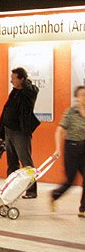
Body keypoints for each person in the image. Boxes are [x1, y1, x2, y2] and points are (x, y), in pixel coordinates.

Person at [0, 67, 41, 198]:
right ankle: (11, 190)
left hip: (20, 133)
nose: (11, 81)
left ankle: (32, 190)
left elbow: (31, 90)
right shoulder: (14, 92)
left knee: (26, 163)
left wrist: (25, 83)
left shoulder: (29, 92)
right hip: (9, 131)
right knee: (12, 163)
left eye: (13, 78)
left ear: (21, 79)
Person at [49, 85, 85, 216]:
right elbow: (59, 130)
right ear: (77, 98)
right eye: (82, 95)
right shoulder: (70, 112)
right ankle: (54, 195)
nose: (84, 98)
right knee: (71, 180)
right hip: (72, 148)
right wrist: (58, 148)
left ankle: (83, 209)